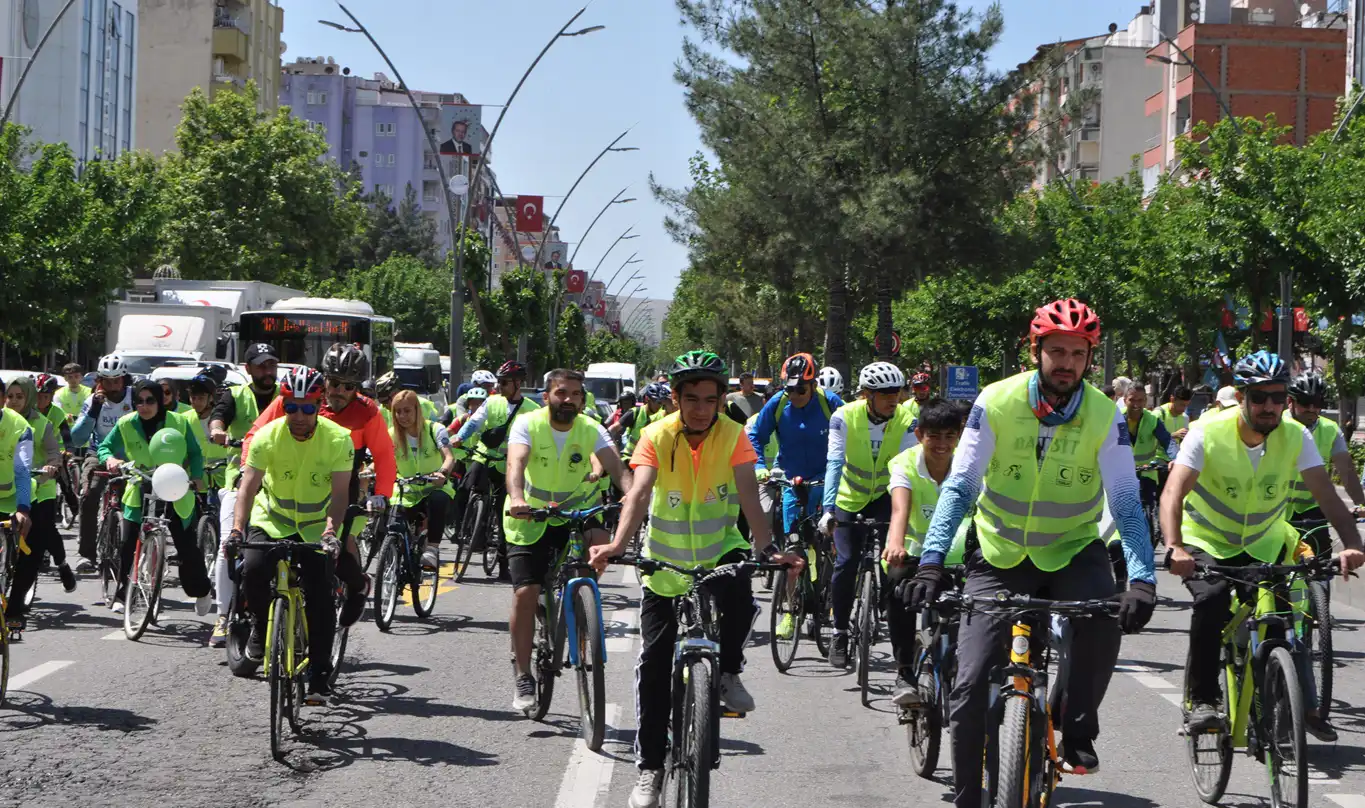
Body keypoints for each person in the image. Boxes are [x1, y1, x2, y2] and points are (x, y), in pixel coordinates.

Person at [904, 299, 1157, 805]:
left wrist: (1143, 578)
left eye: (1078, 354)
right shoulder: (994, 402)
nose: (1066, 363)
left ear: (1090, 358)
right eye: (1057, 351)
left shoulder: (1106, 415)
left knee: (1103, 619)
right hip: (998, 554)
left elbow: (1127, 500)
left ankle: (1076, 727)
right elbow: (960, 486)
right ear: (1035, 350)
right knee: (971, 683)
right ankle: (966, 792)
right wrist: (932, 560)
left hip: (1072, 550)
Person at [587, 351, 802, 808]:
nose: (701, 408)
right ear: (677, 400)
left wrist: (767, 550)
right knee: (653, 667)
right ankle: (649, 769)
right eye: (691, 399)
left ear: (722, 399)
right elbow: (639, 492)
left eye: (710, 399)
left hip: (718, 552)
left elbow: (748, 496)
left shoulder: (735, 436)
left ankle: (727, 673)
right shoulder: (654, 435)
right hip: (664, 563)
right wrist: (617, 545)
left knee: (742, 599)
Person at [1164, 352, 1365, 742]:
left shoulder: (1297, 436)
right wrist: (1174, 546)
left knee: (1283, 616)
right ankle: (1203, 698)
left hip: (1264, 542)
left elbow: (1329, 498)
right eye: (1259, 397)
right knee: (1213, 600)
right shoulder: (1208, 431)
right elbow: (1173, 493)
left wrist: (1353, 543)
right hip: (1207, 540)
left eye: (1277, 397)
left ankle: (1283, 698)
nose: (1269, 406)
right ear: (1241, 397)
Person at [231, 367, 362, 701]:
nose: (299, 415)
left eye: (308, 408)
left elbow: (341, 494)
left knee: (320, 594)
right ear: (282, 404)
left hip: (318, 526)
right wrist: (235, 529)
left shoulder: (337, 439)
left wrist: (332, 530)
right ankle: (260, 629)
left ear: (320, 405)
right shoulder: (266, 436)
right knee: (253, 569)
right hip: (271, 519)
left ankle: (319, 674)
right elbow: (248, 487)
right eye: (291, 406)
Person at [504, 369, 627, 710]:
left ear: (582, 400)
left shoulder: (591, 428)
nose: (567, 400)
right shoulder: (528, 423)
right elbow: (515, 463)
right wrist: (517, 497)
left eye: (575, 394)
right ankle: (524, 674)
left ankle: (580, 610)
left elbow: (617, 468)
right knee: (527, 591)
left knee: (601, 545)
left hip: (578, 511)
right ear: (547, 397)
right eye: (561, 393)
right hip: (530, 515)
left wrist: (633, 497)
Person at [243, 343, 396, 599]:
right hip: (293, 479)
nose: (339, 392)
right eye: (334, 383)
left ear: (358, 387)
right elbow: (254, 435)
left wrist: (381, 494)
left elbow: (384, 456)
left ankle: (358, 586)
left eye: (349, 386)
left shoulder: (368, 411)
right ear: (325, 380)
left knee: (342, 548)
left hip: (341, 482)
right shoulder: (302, 399)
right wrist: (246, 469)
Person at [820, 361, 917, 668]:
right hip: (850, 497)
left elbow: (909, 466)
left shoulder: (907, 418)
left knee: (896, 562)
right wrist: (828, 509)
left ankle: (890, 604)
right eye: (885, 392)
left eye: (897, 391)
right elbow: (835, 462)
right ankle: (839, 632)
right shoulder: (843, 416)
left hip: (886, 496)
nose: (893, 398)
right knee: (846, 562)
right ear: (866, 395)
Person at [97, 378, 212, 615]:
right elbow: (104, 447)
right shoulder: (126, 423)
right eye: (139, 401)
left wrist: (198, 477)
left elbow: (195, 453)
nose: (144, 405)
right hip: (140, 486)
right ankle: (122, 592)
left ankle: (201, 590)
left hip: (174, 487)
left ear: (160, 401)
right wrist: (110, 459)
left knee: (186, 544)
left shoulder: (178, 422)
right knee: (127, 543)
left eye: (150, 400)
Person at [883, 398, 964, 705]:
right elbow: (899, 508)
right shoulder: (905, 463)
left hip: (959, 555)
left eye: (949, 436)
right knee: (898, 586)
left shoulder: (970, 465)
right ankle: (904, 672)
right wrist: (895, 543)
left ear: (959, 436)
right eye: (934, 436)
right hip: (915, 552)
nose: (942, 444)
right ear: (919, 435)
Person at [749, 353, 843, 606]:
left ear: (813, 385)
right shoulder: (779, 404)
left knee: (831, 540)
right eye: (789, 390)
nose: (794, 396)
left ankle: (834, 598)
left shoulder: (830, 402)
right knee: (793, 547)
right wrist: (760, 465)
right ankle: (791, 608)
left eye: (801, 390)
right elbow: (756, 435)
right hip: (792, 478)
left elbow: (854, 436)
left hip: (826, 480)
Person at [207, 343, 281, 633]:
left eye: (272, 364)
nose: (268, 371)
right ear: (248, 369)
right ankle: (223, 615)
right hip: (239, 480)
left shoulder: (286, 396)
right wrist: (217, 431)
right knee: (229, 544)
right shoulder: (235, 395)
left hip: (280, 483)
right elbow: (218, 416)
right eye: (261, 365)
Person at [5, 375, 73, 625]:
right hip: (5, 490)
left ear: (29, 398)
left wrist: (51, 467)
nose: (13, 402)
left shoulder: (41, 424)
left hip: (38, 487)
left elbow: (55, 453)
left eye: (19, 397)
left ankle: (15, 610)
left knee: (36, 543)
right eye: (10, 396)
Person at [71, 353, 136, 572]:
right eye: (107, 381)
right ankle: (87, 555)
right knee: (89, 496)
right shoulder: (93, 401)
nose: (112, 385)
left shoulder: (136, 399)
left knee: (136, 501)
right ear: (100, 381)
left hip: (131, 458)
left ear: (124, 379)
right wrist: (94, 410)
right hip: (99, 455)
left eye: (117, 380)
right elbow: (78, 438)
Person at [1284, 372, 1365, 542]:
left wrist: (1361, 503)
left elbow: (1347, 473)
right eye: (1306, 403)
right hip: (1277, 509)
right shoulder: (1275, 425)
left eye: (1318, 403)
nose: (1312, 409)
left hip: (1313, 509)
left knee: (1323, 563)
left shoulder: (1330, 429)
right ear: (1290, 402)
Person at [389, 389, 456, 570]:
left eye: (407, 410)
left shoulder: (436, 429)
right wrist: (368, 471)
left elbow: (449, 457)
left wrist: (442, 472)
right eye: (398, 411)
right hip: (406, 491)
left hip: (434, 487)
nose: (403, 416)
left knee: (438, 500)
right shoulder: (391, 435)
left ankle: (432, 549)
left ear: (417, 410)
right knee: (393, 526)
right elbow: (381, 460)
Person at [0, 400, 34, 610]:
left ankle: (14, 603)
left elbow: (22, 471)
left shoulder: (20, 426)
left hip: (11, 497)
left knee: (31, 545)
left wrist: (23, 509)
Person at [33, 373, 78, 525]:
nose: (41, 400)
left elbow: (66, 434)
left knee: (63, 479)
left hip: (55, 454)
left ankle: (73, 506)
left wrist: (69, 450)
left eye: (45, 397)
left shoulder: (57, 413)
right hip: (32, 452)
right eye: (38, 396)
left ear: (51, 396)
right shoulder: (28, 411)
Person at [609, 382, 672, 459]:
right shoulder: (635, 412)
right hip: (630, 457)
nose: (659, 405)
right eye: (656, 401)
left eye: (661, 402)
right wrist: (614, 450)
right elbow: (612, 429)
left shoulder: (662, 414)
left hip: (651, 459)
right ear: (647, 399)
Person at [1154, 385, 1193, 450]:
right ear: (1172, 399)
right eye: (1182, 405)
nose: (1184, 409)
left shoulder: (1185, 417)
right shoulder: (1158, 414)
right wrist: (1174, 435)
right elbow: (1150, 440)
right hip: (1157, 457)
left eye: (1186, 405)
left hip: (1175, 457)